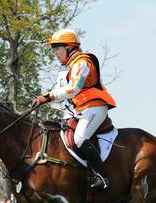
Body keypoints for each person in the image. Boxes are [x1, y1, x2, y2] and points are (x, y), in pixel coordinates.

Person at [31, 29, 116, 190]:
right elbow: (59, 92)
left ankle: (103, 176)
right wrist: (43, 98)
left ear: (69, 47)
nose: (55, 53)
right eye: (54, 50)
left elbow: (73, 89)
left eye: (57, 49)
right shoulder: (66, 68)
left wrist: (48, 97)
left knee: (79, 138)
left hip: (94, 106)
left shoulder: (82, 62)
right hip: (79, 109)